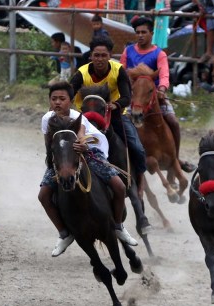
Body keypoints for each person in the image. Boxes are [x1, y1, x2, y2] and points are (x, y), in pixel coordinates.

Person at [39, 81, 139, 257]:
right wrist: (54, 162)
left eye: (62, 99)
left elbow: (81, 136)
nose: (57, 102)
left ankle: (118, 226)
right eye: (54, 99)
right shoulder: (47, 119)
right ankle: (64, 233)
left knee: (120, 187)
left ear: (70, 101)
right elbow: (49, 142)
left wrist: (82, 145)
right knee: (43, 195)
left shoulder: (78, 117)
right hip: (64, 158)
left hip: (90, 151)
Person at [70, 36, 148, 197]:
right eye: (96, 55)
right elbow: (69, 93)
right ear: (91, 56)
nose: (99, 59)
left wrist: (115, 105)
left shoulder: (118, 70)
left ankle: (140, 181)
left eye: (103, 55)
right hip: (85, 118)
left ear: (110, 56)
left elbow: (127, 97)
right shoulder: (81, 73)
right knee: (64, 142)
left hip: (114, 115)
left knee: (138, 148)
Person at [121, 17, 196, 173]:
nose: (140, 35)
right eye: (138, 32)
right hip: (134, 97)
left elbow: (164, 74)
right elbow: (121, 73)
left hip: (154, 97)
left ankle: (176, 157)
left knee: (173, 121)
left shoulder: (159, 54)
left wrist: (161, 89)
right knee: (120, 124)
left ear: (151, 33)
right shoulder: (128, 52)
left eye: (144, 32)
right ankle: (123, 159)